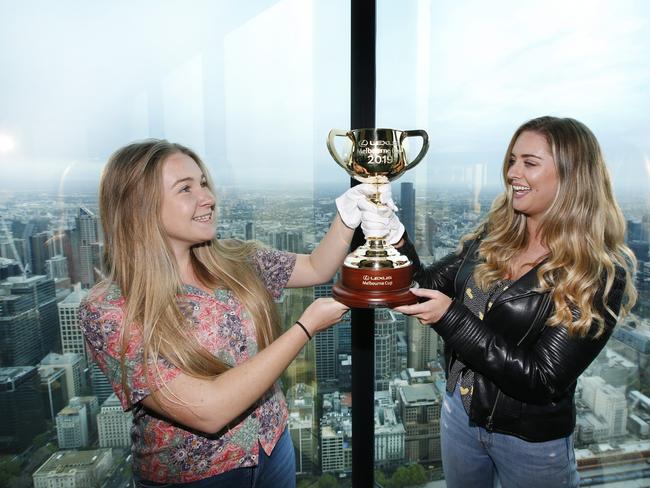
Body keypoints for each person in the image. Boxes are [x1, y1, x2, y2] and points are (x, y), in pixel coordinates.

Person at [78, 139, 394, 487]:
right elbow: (208, 411)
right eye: (186, 189)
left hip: (274, 449)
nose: (208, 198)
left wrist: (347, 217)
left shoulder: (235, 258)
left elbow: (317, 268)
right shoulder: (109, 310)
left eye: (203, 183)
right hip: (193, 476)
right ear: (138, 207)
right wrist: (305, 327)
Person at [378, 116, 637, 487]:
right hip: (459, 413)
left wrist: (450, 318)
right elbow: (422, 285)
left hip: (529, 441)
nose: (513, 172)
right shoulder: (494, 236)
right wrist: (395, 240)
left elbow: (543, 378)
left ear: (572, 176)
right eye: (512, 160)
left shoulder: (595, 272)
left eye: (530, 163)